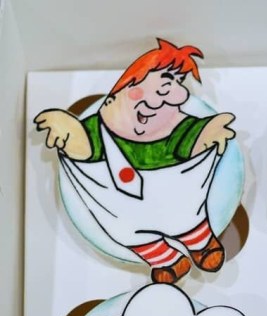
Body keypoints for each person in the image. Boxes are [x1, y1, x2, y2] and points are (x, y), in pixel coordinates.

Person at [34, 39, 235, 283]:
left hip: (173, 200)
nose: (164, 99)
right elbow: (85, 147)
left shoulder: (173, 126)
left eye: (172, 88)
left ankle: (201, 244)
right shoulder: (101, 127)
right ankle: (168, 259)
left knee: (186, 216)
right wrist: (69, 132)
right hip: (122, 210)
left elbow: (191, 137)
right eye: (162, 86)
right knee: (128, 231)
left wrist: (207, 134)